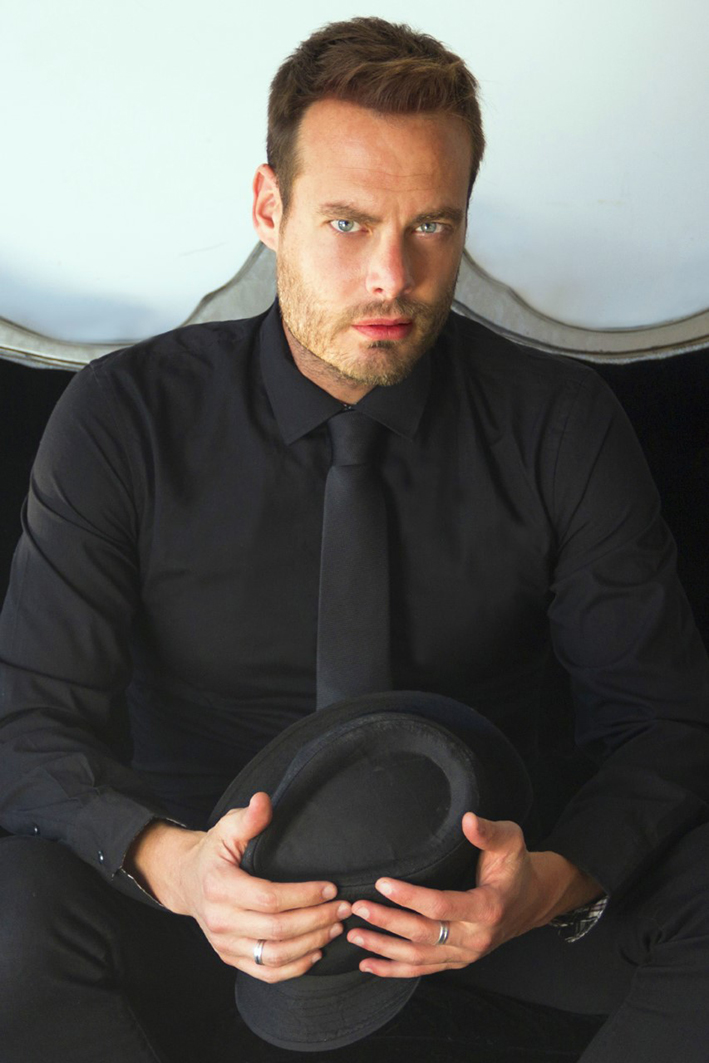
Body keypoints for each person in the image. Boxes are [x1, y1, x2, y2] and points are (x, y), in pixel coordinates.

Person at [1, 16, 708, 1063]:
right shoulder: (125, 418)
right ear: (269, 207)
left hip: (471, 906)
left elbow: (664, 721)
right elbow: (28, 723)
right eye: (346, 222)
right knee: (14, 915)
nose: (391, 276)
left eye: (431, 225)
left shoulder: (558, 423)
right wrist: (175, 866)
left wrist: (545, 886)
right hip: (205, 907)